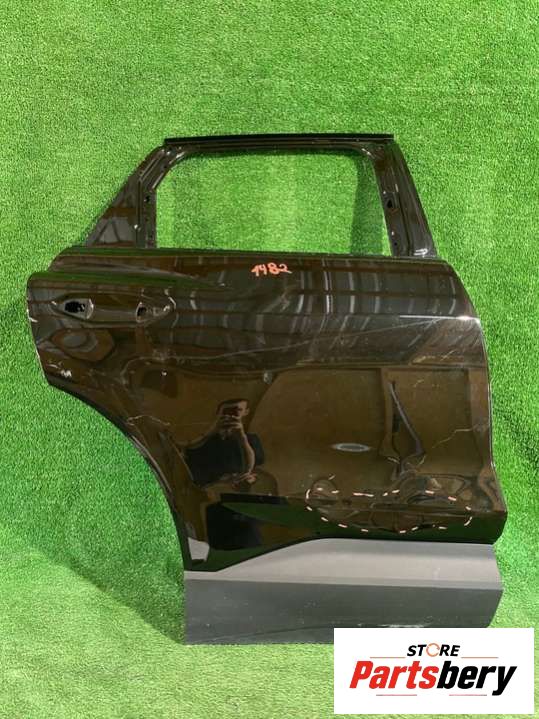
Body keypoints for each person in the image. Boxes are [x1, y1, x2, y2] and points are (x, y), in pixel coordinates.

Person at [184, 398, 265, 490]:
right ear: (218, 413)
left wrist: (241, 436)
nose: (231, 415)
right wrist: (211, 431)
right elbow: (188, 452)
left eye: (237, 410)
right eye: (226, 412)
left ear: (246, 412)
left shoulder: (251, 440)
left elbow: (252, 467)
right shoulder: (206, 441)